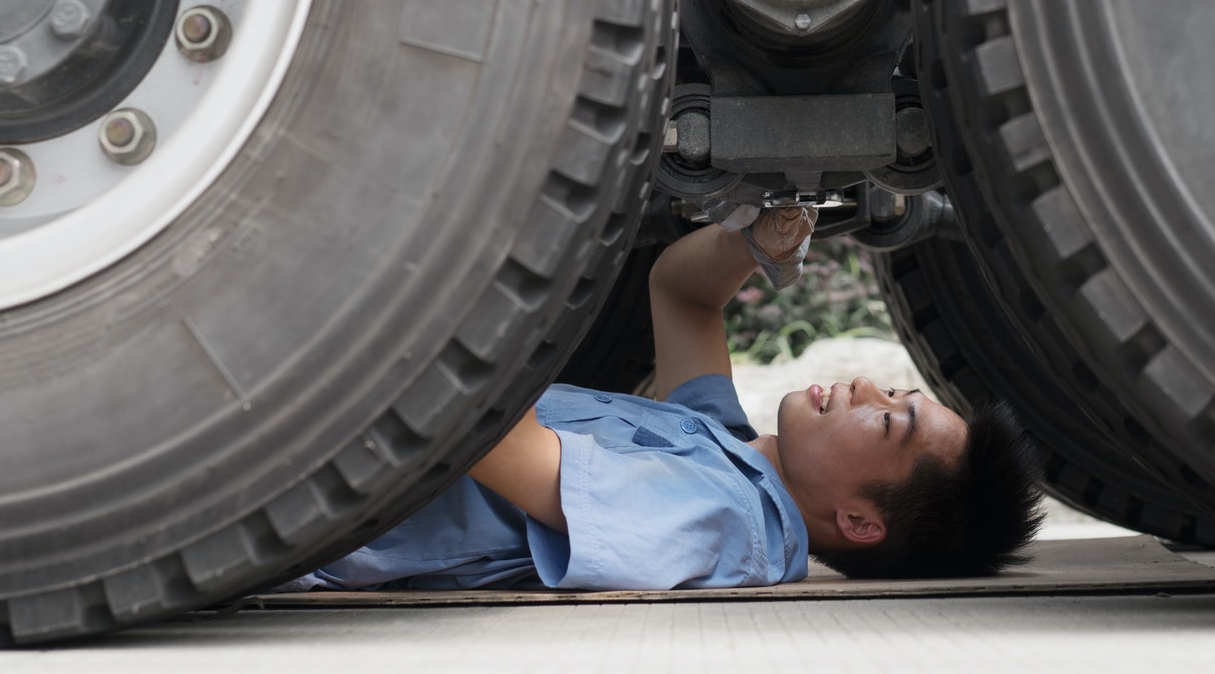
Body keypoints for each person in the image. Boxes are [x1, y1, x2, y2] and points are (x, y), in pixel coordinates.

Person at [285, 207, 1046, 592]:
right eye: (890, 388)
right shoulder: (727, 450)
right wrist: (755, 241)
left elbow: (499, 443)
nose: (861, 386)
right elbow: (681, 297)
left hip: (311, 499)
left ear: (858, 521)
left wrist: (479, 259)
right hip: (331, 441)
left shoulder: (722, 521)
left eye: (886, 418)